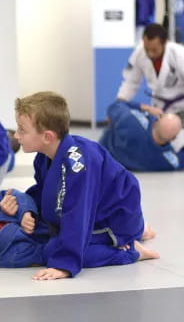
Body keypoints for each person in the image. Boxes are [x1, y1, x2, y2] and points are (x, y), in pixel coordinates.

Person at [14, 91, 159, 280]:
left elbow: (77, 212)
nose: (16, 135)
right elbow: (44, 192)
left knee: (51, 251)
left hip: (114, 217)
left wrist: (63, 265)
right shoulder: (44, 156)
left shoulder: (78, 165)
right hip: (100, 208)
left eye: (22, 130)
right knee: (40, 235)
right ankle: (139, 229)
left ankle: (131, 250)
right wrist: (27, 210)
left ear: (47, 136)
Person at [0, 189, 157, 272]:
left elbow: (13, 194)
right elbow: (42, 253)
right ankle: (130, 253)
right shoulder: (9, 256)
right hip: (54, 236)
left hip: (48, 214)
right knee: (71, 249)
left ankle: (137, 231)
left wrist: (23, 212)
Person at [117, 23, 184, 150]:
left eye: (154, 50)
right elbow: (131, 81)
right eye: (147, 49)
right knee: (155, 140)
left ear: (164, 43)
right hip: (159, 106)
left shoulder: (179, 54)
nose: (150, 54)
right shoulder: (139, 53)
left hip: (181, 106)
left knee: (178, 142)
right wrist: (120, 103)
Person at [100, 100, 184, 171]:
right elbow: (179, 161)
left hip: (102, 155)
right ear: (173, 138)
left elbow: (115, 106)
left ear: (157, 120)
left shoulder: (131, 121)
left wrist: (147, 108)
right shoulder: (165, 161)